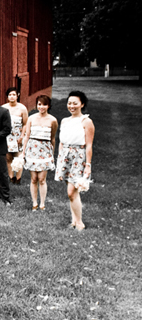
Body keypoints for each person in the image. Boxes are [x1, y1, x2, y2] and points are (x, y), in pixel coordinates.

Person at [55, 90, 95, 231]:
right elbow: (61, 142)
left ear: (82, 104)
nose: (71, 106)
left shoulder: (87, 121)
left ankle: (79, 223)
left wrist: (88, 165)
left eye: (75, 103)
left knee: (71, 191)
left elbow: (89, 145)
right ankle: (74, 221)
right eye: (69, 103)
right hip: (65, 156)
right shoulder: (64, 121)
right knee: (72, 191)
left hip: (79, 157)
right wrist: (60, 158)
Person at [22, 95, 57, 212]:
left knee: (42, 179)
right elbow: (27, 136)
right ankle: (34, 203)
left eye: (44, 104)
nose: (41, 107)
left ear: (49, 106)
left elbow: (52, 139)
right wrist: (23, 152)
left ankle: (42, 204)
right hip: (32, 150)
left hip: (45, 151)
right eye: (39, 104)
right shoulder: (31, 118)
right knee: (33, 178)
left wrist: (52, 154)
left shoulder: (53, 120)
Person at [2, 87, 28, 184]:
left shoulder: (22, 108)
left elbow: (25, 124)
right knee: (8, 157)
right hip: (7, 136)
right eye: (10, 95)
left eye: (14, 94)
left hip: (18, 135)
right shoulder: (3, 107)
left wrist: (22, 136)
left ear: (18, 95)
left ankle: (18, 178)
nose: (12, 97)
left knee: (18, 157)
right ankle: (11, 177)